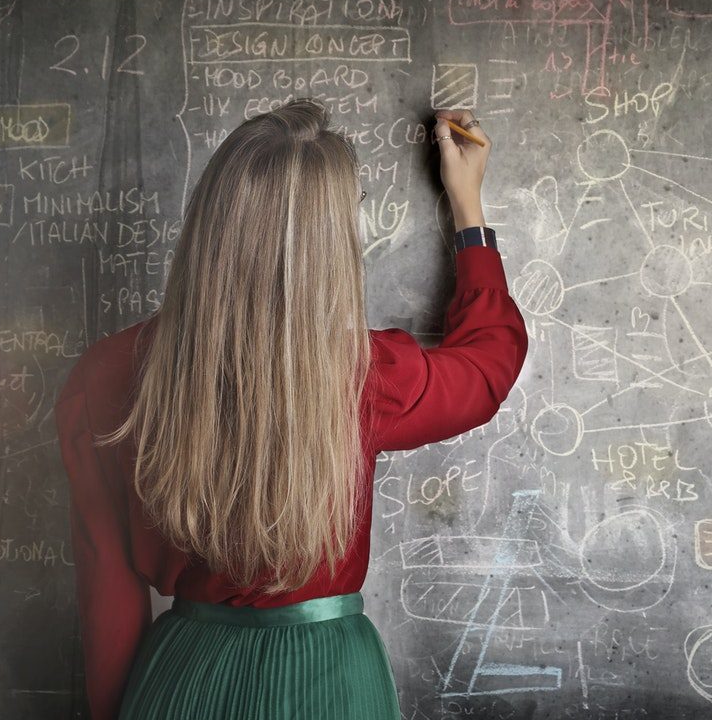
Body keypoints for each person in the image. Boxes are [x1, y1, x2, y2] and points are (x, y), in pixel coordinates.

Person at [54, 99, 528, 720]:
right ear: (329, 241)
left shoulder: (105, 376)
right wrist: (468, 209)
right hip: (329, 679)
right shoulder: (366, 375)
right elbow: (488, 366)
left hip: (182, 679)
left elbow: (108, 594)